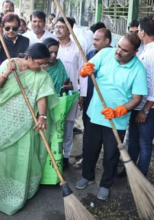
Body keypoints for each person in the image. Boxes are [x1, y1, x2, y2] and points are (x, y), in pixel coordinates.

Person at [0, 43, 58, 215]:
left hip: (27, 123)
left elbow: (42, 96)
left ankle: (20, 192)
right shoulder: (8, 64)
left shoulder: (41, 75)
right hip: (4, 120)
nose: (41, 67)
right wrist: (6, 73)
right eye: (39, 63)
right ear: (29, 58)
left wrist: (42, 116)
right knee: (4, 155)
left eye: (44, 64)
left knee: (24, 155)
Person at [76, 33, 148, 200]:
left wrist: (119, 111)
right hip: (95, 112)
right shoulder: (106, 53)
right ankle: (87, 175)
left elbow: (137, 99)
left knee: (111, 154)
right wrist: (84, 71)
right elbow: (87, 70)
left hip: (117, 120)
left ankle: (106, 183)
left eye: (124, 50)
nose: (118, 52)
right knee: (90, 147)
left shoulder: (138, 70)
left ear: (135, 52)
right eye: (118, 46)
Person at [126, 17, 154, 176]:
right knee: (133, 141)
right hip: (138, 105)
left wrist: (145, 111)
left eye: (137, 31)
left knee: (144, 143)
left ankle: (141, 174)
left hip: (148, 109)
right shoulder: (147, 49)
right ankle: (130, 171)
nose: (136, 33)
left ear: (142, 32)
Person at [74, 28, 112, 170]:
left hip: (105, 105)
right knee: (88, 134)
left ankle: (107, 166)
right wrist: (83, 96)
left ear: (107, 41)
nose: (93, 42)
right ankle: (86, 159)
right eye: (93, 39)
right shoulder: (90, 54)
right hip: (90, 102)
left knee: (105, 138)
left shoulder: (113, 57)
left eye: (97, 40)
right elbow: (84, 78)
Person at [55, 17, 86, 169]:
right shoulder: (52, 47)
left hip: (70, 95)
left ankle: (66, 156)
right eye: (57, 26)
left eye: (62, 27)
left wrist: (82, 95)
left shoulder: (77, 49)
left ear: (69, 30)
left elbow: (84, 73)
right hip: (53, 93)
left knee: (68, 126)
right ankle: (53, 154)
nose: (58, 29)